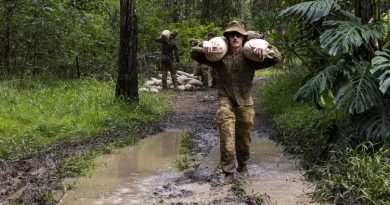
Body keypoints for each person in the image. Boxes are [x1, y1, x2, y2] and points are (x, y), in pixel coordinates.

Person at [190, 20, 281, 179]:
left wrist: (266, 49)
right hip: (225, 99)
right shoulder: (218, 56)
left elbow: (276, 58)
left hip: (245, 102)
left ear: (244, 38)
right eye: (231, 35)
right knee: (226, 135)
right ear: (227, 38)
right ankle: (228, 172)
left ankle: (243, 165)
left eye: (238, 35)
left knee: (244, 138)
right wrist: (205, 46)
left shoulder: (250, 56)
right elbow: (194, 54)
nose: (235, 38)